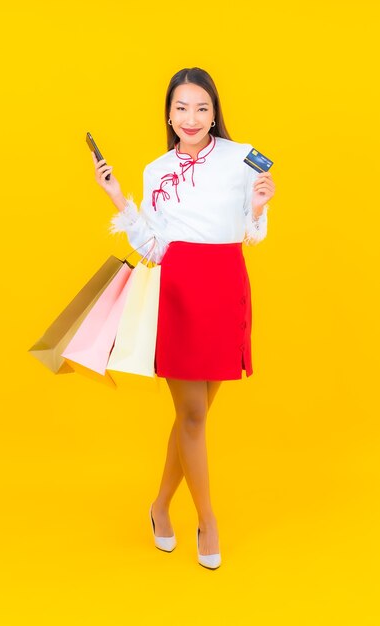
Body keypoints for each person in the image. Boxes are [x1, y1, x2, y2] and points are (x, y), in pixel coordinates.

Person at [91, 67, 276, 569]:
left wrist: (258, 208)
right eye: (181, 108)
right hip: (178, 290)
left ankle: (157, 507)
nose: (190, 118)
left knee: (194, 416)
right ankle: (209, 521)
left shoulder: (243, 159)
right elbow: (153, 245)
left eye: (201, 108)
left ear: (215, 111)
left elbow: (251, 235)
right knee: (193, 415)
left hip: (226, 286)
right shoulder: (155, 170)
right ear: (168, 114)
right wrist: (117, 199)